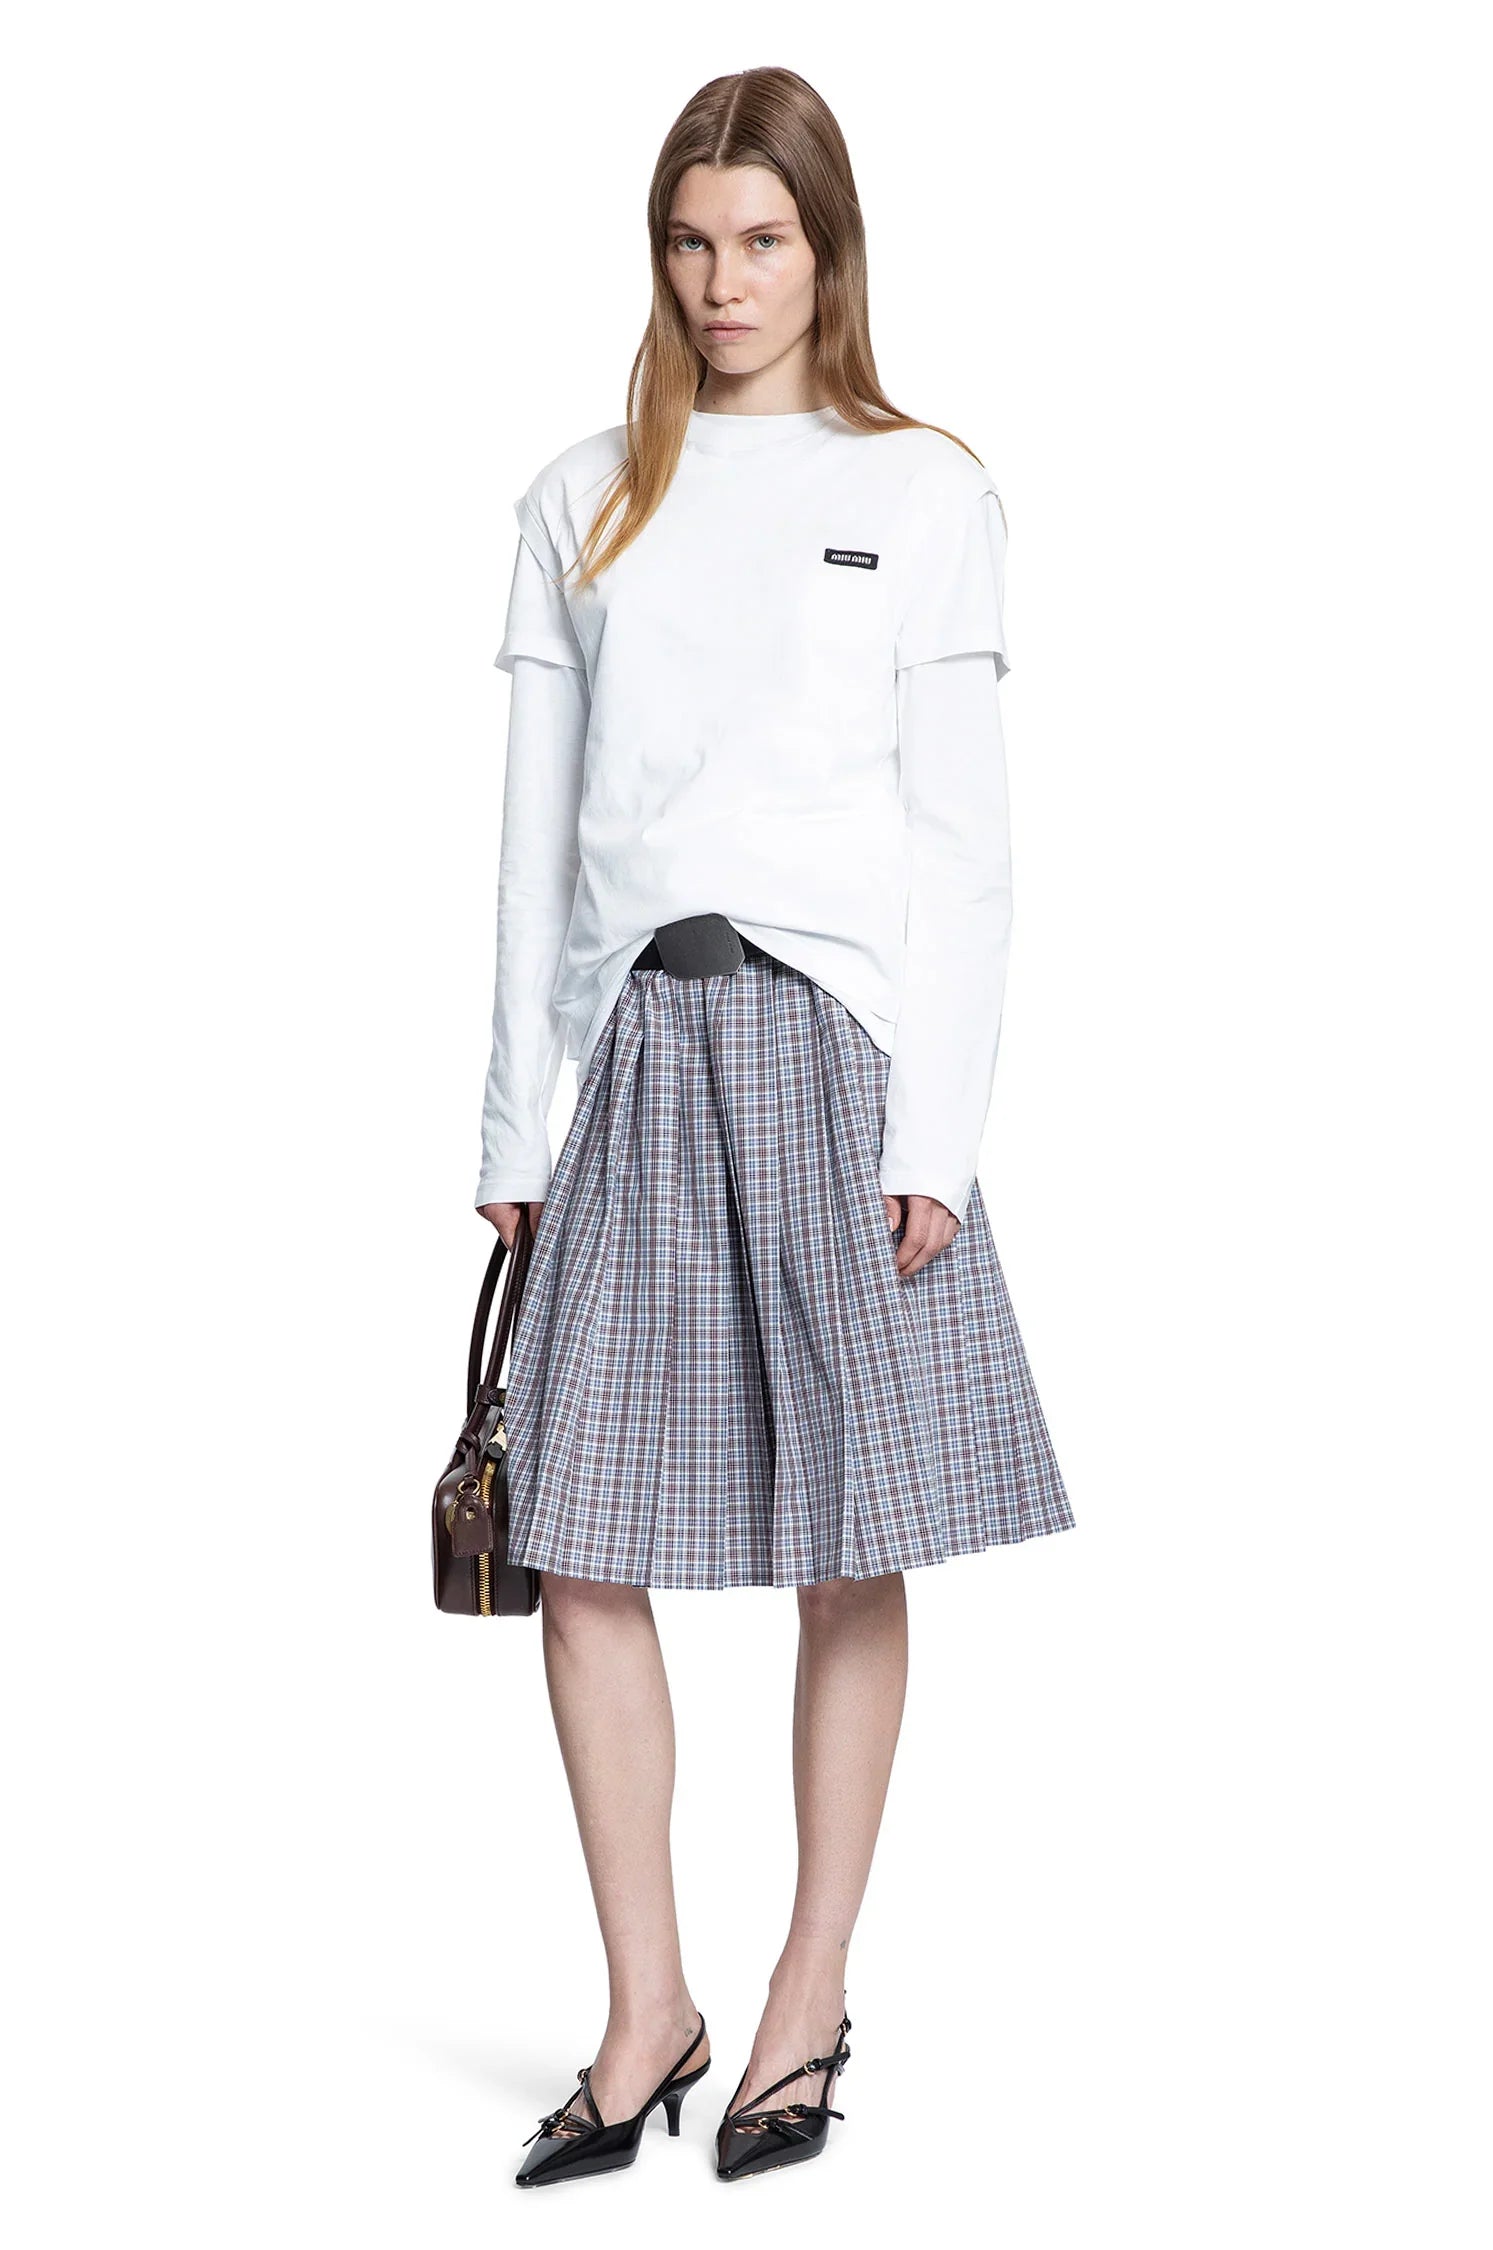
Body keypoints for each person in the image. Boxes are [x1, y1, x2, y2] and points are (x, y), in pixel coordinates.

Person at [473, 66, 1077, 2189]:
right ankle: (647, 2006)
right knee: (581, 1543)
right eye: (691, 238)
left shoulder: (922, 488)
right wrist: (514, 1122)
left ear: (829, 251)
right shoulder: (583, 496)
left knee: (847, 1539)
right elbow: (536, 842)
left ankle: (809, 1988)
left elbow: (966, 847)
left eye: (762, 239)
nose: (723, 280)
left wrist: (941, 1135)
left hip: (838, 1062)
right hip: (641, 1050)